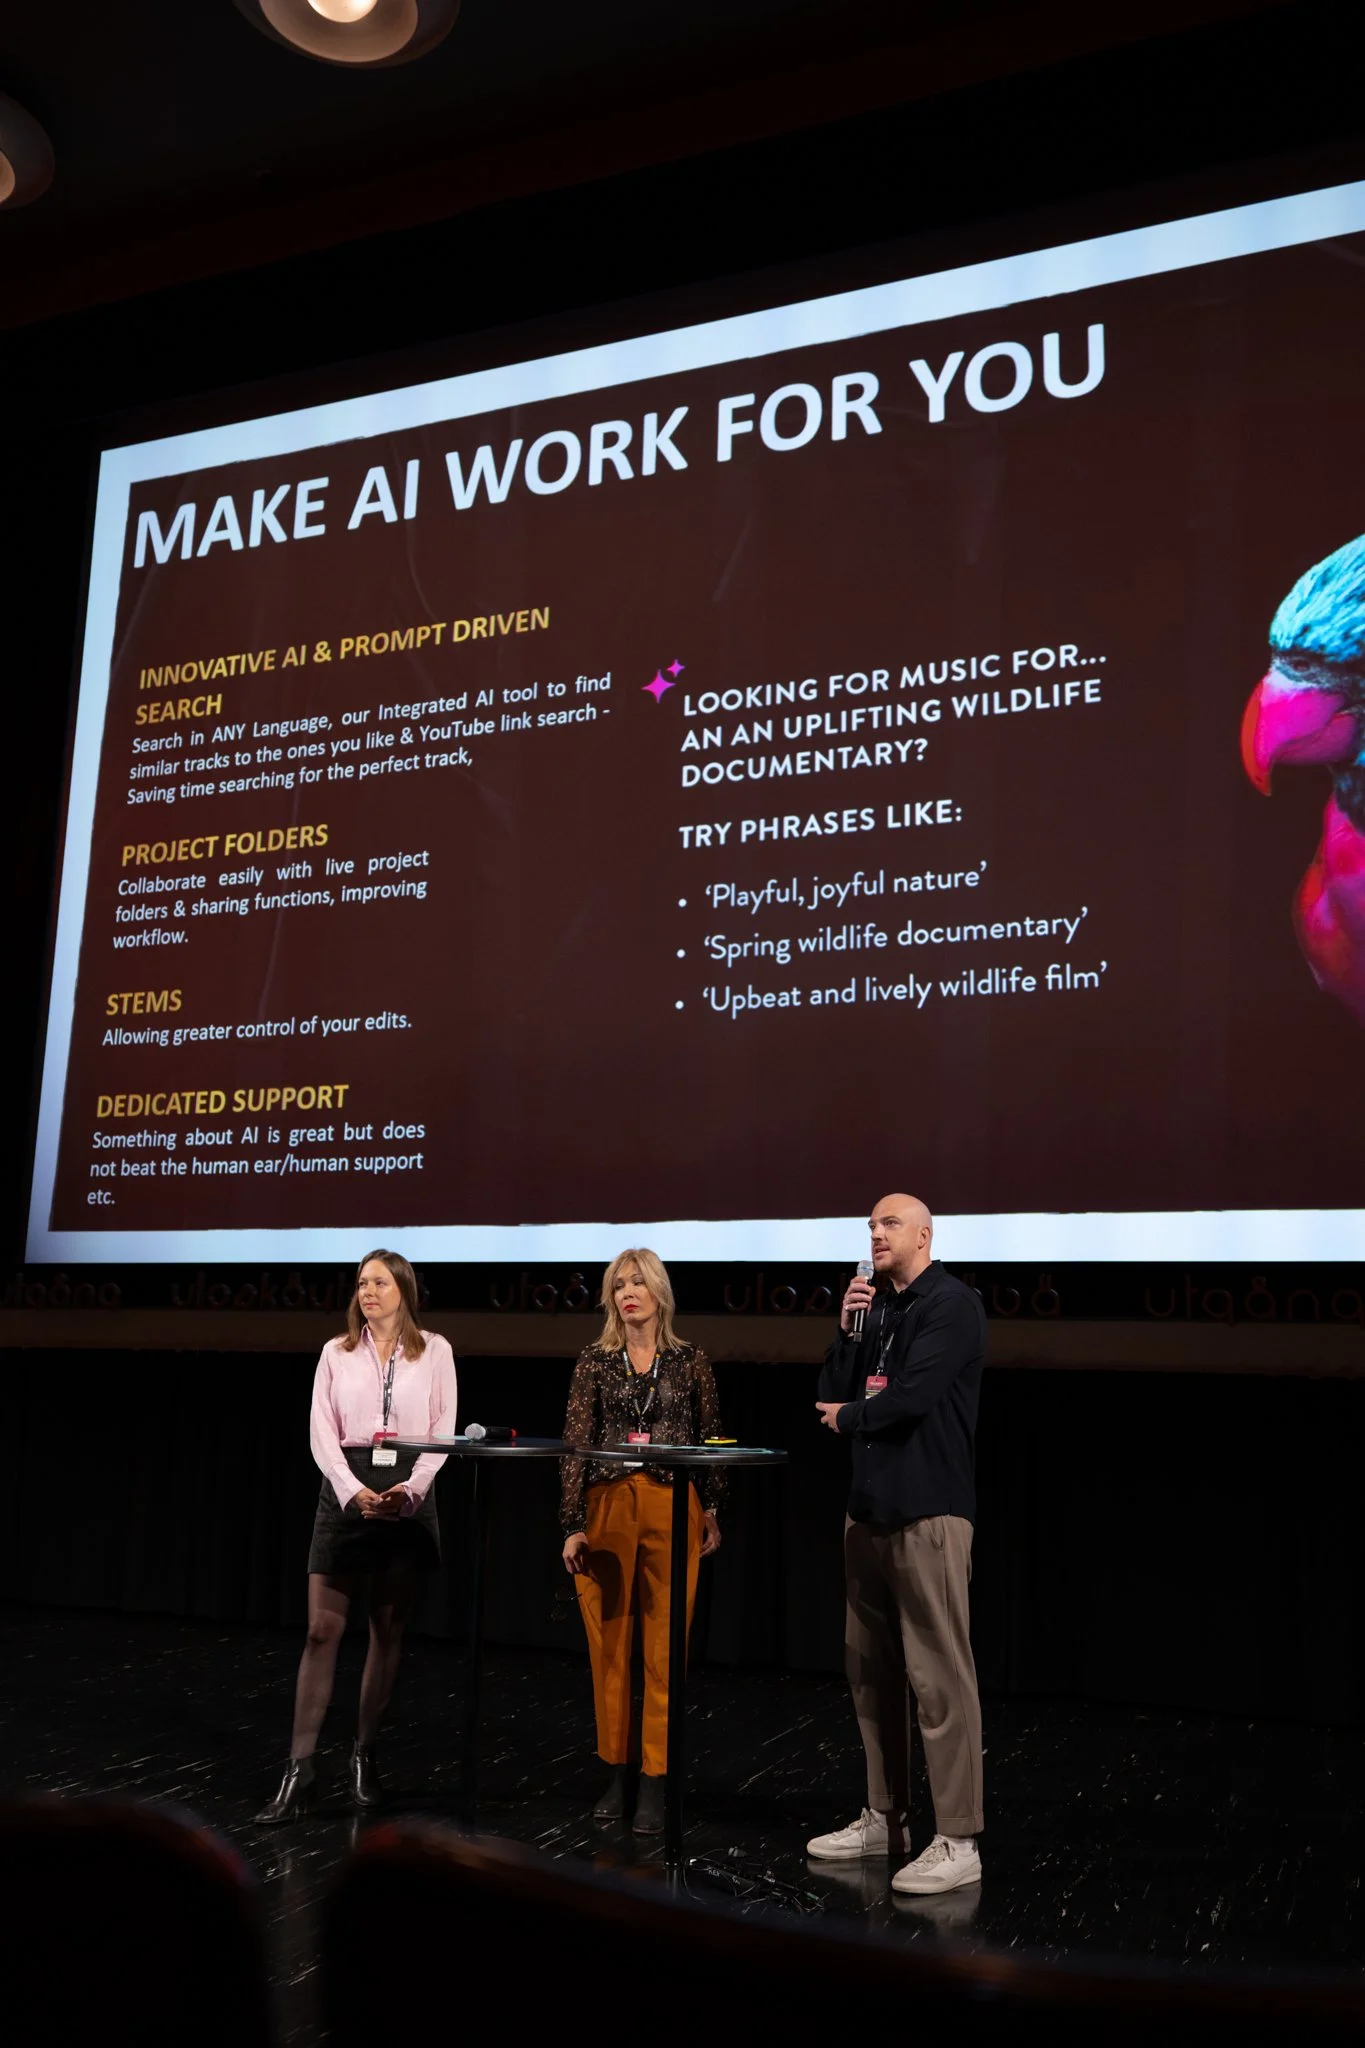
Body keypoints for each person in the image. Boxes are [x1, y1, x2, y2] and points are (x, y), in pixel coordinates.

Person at [808, 1194, 986, 1895]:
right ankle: (886, 1817)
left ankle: (958, 1837)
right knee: (869, 1673)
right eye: (870, 1226)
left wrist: (849, 1414)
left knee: (937, 1679)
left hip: (929, 1512)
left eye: (888, 1225)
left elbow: (908, 1398)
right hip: (868, 1511)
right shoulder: (872, 1308)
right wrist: (847, 1332)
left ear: (923, 1235)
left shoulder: (950, 1305)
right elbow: (827, 1388)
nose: (875, 1235)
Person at [254, 1248, 457, 1823]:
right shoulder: (335, 1353)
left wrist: (410, 1492)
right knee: (322, 1630)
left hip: (408, 1489)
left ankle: (364, 1756)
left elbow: (442, 1430)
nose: (367, 1292)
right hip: (345, 1487)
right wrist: (350, 1490)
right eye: (361, 1283)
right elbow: (322, 1432)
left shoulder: (435, 1350)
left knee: (387, 1633)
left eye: (379, 1282)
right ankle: (300, 1770)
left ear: (404, 1290)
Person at [560, 1248, 723, 1834]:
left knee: (663, 1648)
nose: (628, 1292)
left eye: (638, 1282)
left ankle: (656, 1778)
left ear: (659, 1292)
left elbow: (709, 1439)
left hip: (674, 1502)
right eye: (618, 1285)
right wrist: (571, 1523)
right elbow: (576, 1445)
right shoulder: (595, 1362)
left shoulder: (690, 1361)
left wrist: (712, 1508)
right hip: (608, 1506)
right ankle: (616, 1770)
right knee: (610, 1646)